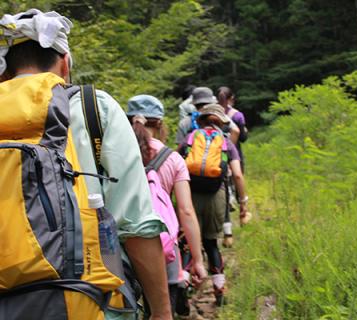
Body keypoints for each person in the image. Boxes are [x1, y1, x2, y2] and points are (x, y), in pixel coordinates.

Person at [0, 9, 172, 320]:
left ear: (4, 70)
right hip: (91, 305)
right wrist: (161, 312)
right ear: (65, 63)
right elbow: (135, 223)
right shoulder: (94, 107)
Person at [126, 95, 208, 316]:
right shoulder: (173, 159)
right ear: (160, 123)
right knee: (162, 312)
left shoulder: (114, 154)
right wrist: (198, 260)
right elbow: (186, 211)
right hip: (163, 248)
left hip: (122, 247)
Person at [178, 104, 249, 307]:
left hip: (189, 196)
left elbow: (173, 162)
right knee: (211, 244)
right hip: (216, 196)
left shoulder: (190, 139)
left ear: (201, 120)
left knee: (186, 243)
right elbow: (237, 175)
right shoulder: (226, 142)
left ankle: (183, 287)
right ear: (221, 123)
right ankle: (219, 292)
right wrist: (243, 203)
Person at [175, 86, 240, 146]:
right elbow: (236, 131)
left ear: (194, 104)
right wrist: (228, 151)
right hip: (217, 157)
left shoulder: (185, 122)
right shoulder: (220, 117)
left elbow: (180, 145)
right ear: (211, 102)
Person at [217, 86, 248, 171]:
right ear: (231, 98)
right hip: (233, 155)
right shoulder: (237, 115)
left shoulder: (211, 114)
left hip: (214, 154)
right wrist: (245, 130)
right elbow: (242, 138)